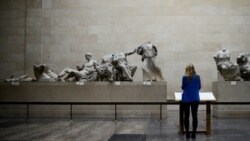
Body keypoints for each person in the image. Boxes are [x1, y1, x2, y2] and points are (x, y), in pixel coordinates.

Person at [181, 64, 201, 139]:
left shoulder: (184, 77)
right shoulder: (198, 77)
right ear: (194, 68)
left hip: (186, 98)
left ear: (186, 69)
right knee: (194, 116)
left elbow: (183, 87)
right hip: (195, 98)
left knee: (186, 116)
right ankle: (194, 134)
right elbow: (199, 87)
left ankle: (187, 134)